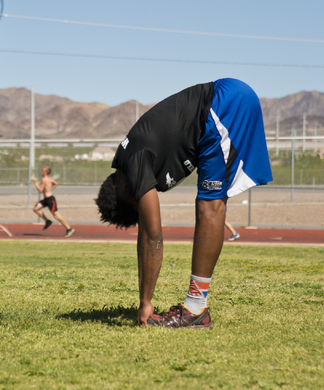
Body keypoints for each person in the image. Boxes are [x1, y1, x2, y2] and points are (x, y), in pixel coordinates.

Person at [95, 78, 272, 329]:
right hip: (223, 105)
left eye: (136, 205)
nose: (144, 203)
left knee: (209, 206)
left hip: (222, 105)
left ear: (124, 189)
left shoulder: (133, 165)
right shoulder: (130, 163)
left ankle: (196, 310)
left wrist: (145, 301)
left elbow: (153, 236)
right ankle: (196, 308)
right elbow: (146, 232)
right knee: (210, 203)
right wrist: (143, 297)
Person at [32, 166, 75, 237]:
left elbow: (40, 190)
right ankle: (47, 221)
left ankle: (69, 228)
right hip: (46, 199)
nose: (41, 172)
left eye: (42, 171)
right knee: (35, 209)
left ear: (46, 172)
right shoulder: (49, 179)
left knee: (56, 215)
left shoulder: (44, 179)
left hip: (50, 200)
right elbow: (55, 183)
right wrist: (50, 189)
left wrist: (36, 183)